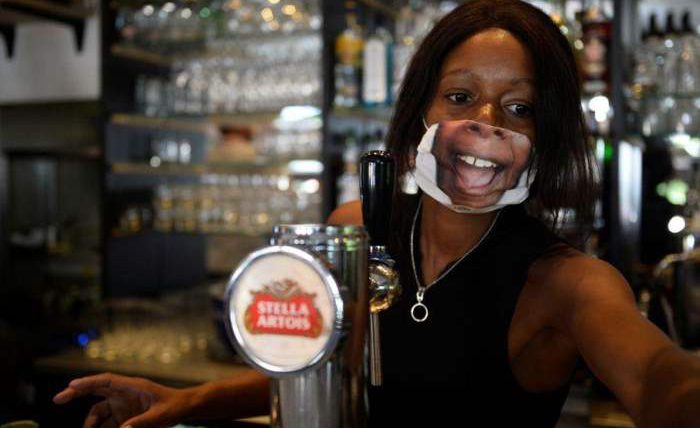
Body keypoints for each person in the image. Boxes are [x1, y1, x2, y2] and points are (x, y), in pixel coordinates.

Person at [54, 1, 700, 427]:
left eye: (519, 108)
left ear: (549, 134)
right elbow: (326, 374)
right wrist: (183, 401)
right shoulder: (356, 229)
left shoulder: (567, 282)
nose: (485, 124)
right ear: (421, 111)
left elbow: (656, 376)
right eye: (460, 97)